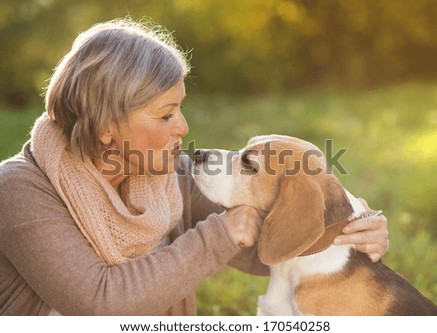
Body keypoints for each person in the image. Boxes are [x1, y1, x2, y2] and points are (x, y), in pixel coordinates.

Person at [0, 18, 388, 315]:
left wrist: (348, 232)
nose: (183, 127)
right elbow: (98, 303)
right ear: (106, 129)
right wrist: (218, 234)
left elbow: (264, 249)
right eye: (166, 115)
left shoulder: (171, 175)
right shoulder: (20, 189)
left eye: (180, 109)